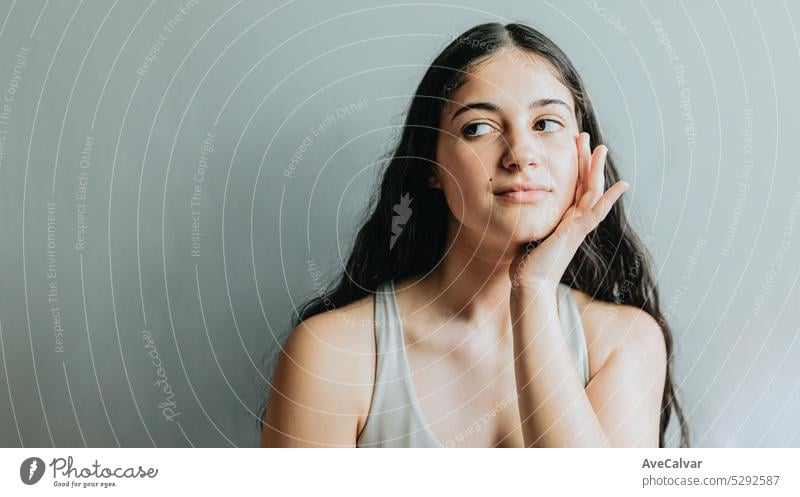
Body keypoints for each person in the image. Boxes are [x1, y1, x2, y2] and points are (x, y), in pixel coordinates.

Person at [260, 22, 689, 448]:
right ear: (431, 166)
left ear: (583, 152)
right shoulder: (333, 355)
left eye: (546, 123)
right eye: (478, 128)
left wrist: (534, 289)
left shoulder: (624, 343)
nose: (521, 154)